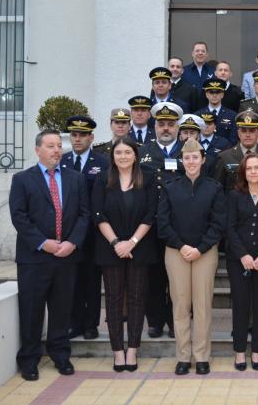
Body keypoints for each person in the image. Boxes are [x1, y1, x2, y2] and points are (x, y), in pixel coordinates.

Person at [9, 129, 90, 381]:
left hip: (66, 256)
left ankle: (60, 355)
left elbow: (84, 215)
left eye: (58, 146)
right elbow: (19, 217)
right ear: (38, 150)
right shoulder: (22, 179)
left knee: (61, 309)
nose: (57, 150)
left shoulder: (75, 179)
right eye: (50, 146)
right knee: (32, 309)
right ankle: (30, 359)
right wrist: (43, 243)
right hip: (35, 258)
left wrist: (72, 243)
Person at [157, 138, 226, 375]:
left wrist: (200, 248)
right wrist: (181, 245)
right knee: (181, 304)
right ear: (181, 160)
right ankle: (183, 356)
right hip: (176, 252)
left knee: (203, 305)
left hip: (205, 252)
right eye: (187, 158)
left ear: (203, 159)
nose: (191, 161)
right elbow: (163, 224)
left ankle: (202, 356)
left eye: (195, 157)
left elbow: (218, 224)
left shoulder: (214, 188)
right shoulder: (170, 186)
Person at [92, 137, 157, 372]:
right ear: (112, 156)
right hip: (111, 249)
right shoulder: (102, 179)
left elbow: (151, 213)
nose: (123, 156)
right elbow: (98, 214)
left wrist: (132, 242)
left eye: (127, 152)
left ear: (135, 155)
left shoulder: (147, 178)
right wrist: (117, 243)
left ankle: (133, 349)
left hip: (139, 248)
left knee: (137, 299)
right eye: (118, 153)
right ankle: (117, 351)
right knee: (113, 299)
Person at [226, 153, 258, 371]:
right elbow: (229, 228)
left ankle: (257, 351)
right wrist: (244, 255)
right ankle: (239, 351)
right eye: (249, 168)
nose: (253, 172)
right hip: (239, 259)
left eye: (257, 168)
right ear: (243, 172)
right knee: (240, 304)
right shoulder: (233, 196)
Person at [139, 102, 186, 339]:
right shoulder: (142, 152)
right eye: (161, 124)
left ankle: (174, 321)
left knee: (177, 280)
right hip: (151, 225)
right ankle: (155, 321)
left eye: (170, 124)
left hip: (180, 226)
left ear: (177, 126)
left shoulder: (189, 150)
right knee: (154, 277)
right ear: (154, 126)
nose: (166, 128)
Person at [61, 116, 108, 341]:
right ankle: (74, 322)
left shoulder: (103, 162)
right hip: (68, 233)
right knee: (72, 279)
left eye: (82, 135)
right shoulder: (62, 162)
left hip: (93, 232)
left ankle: (91, 324)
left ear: (91, 137)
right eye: (74, 135)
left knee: (91, 279)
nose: (77, 139)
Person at [213, 111, 258, 192]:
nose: (248, 134)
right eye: (244, 131)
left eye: (252, 131)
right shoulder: (225, 157)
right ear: (238, 133)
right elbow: (218, 190)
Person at [196, 78, 238, 145]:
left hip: (225, 152)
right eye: (211, 92)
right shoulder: (197, 115)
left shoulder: (232, 116)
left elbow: (233, 140)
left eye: (218, 92)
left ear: (222, 94)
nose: (214, 95)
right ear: (206, 94)